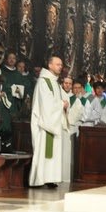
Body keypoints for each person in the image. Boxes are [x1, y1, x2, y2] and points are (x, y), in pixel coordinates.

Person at [28, 55, 68, 188]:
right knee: (43, 150)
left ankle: (50, 178)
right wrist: (61, 104)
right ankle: (39, 179)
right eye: (58, 64)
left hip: (52, 122)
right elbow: (46, 105)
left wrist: (63, 105)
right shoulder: (44, 82)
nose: (60, 67)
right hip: (44, 123)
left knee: (52, 151)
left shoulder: (54, 82)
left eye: (61, 65)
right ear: (50, 65)